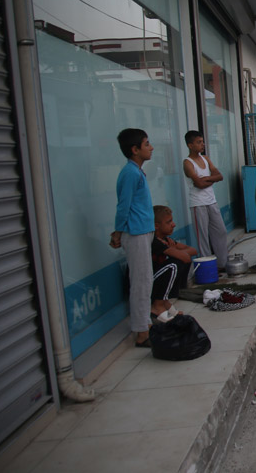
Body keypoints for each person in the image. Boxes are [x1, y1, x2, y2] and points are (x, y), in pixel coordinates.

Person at [109, 128, 155, 347]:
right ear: (135, 150)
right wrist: (118, 232)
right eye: (146, 144)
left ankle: (145, 323)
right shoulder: (130, 173)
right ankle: (141, 331)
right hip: (134, 233)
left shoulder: (136, 171)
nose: (151, 147)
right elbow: (123, 206)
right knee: (141, 282)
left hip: (142, 231)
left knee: (146, 280)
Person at [182, 131, 228, 267]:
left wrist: (207, 178)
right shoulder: (188, 163)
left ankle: (222, 263)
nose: (202, 144)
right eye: (198, 142)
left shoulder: (205, 159)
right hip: (198, 204)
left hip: (211, 201)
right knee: (203, 238)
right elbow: (199, 184)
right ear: (190, 145)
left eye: (202, 141)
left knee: (220, 232)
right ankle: (208, 267)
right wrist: (209, 180)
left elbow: (219, 176)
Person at [151, 205, 196, 317]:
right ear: (156, 226)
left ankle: (164, 300)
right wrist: (176, 251)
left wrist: (174, 249)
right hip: (146, 285)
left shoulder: (166, 239)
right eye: (169, 222)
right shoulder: (154, 241)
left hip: (154, 280)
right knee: (174, 265)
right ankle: (158, 305)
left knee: (180, 261)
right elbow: (185, 256)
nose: (173, 224)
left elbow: (193, 250)